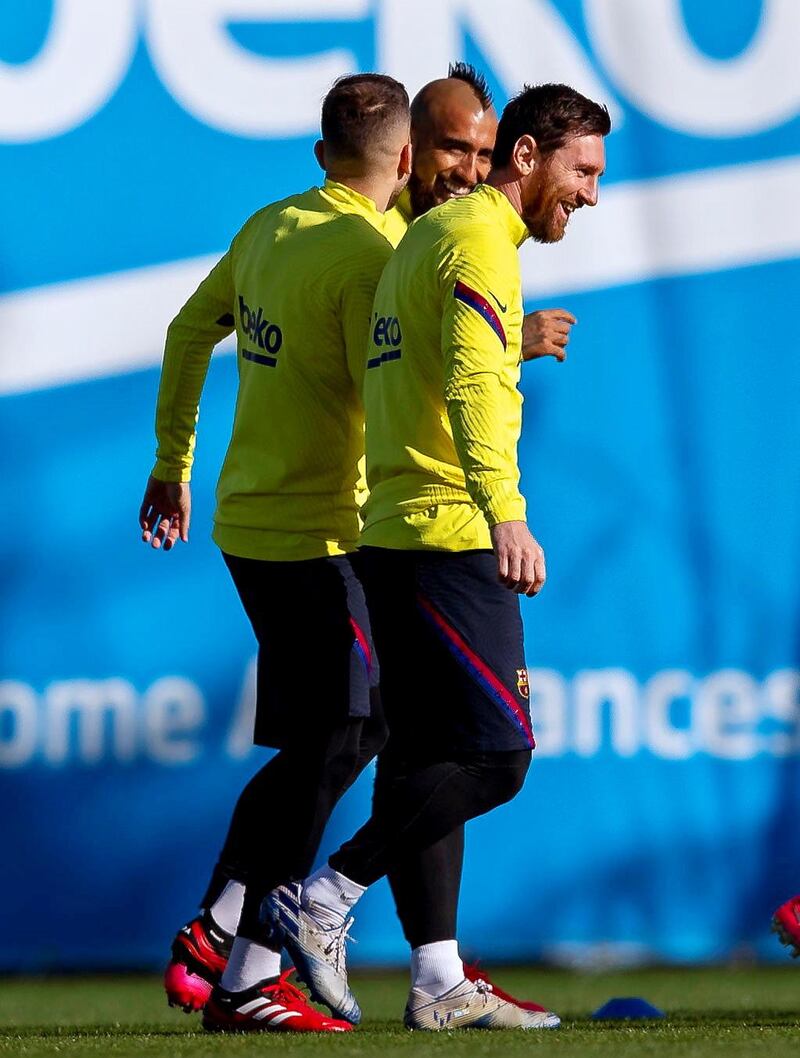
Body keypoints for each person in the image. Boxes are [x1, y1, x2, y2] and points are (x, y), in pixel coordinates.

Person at [266, 82, 610, 1032]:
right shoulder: (477, 242)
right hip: (447, 535)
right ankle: (324, 898)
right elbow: (463, 382)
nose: (589, 195)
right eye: (580, 171)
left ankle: (437, 980)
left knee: (423, 763)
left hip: (397, 534)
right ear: (529, 156)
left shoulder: (432, 233)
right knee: (499, 758)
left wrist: (511, 356)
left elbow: (436, 361)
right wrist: (507, 513)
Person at [139, 73, 411, 1033]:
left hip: (246, 525)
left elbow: (186, 333)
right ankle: (232, 945)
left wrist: (171, 464)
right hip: (323, 531)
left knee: (335, 737)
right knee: (348, 736)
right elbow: (386, 400)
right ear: (411, 160)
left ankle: (233, 947)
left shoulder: (270, 226)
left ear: (319, 152)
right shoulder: (377, 254)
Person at [387, 62, 578, 364]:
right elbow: (377, 361)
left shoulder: (472, 235)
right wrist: (509, 339)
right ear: (408, 146)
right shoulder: (376, 235)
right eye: (454, 148)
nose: (469, 173)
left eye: (484, 156)